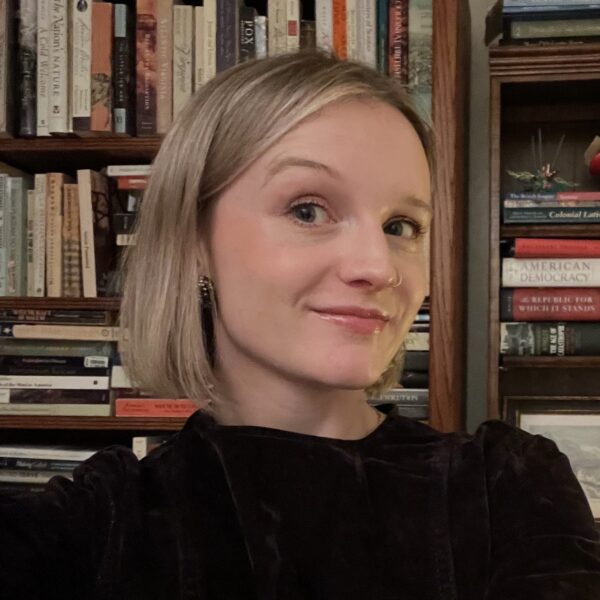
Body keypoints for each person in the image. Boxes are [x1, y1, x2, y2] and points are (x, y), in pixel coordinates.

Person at [1, 52, 599, 600]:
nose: (377, 267)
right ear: (193, 241)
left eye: (402, 226)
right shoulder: (98, 520)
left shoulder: (511, 487)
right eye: (308, 210)